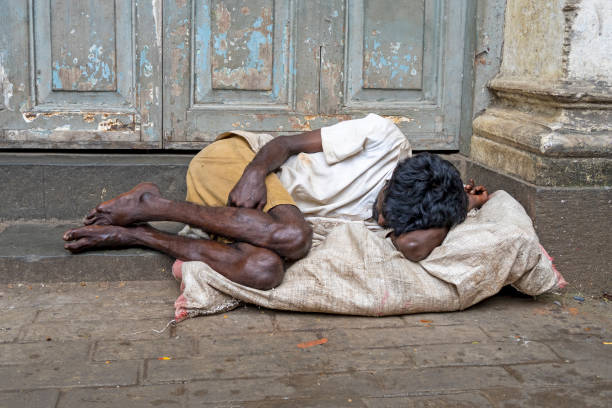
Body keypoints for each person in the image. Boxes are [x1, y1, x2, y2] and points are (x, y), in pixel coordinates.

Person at [63, 114, 488, 290]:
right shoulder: (384, 138)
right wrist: (253, 172)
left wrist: (459, 208)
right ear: (397, 176)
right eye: (385, 204)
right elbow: (283, 143)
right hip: (241, 165)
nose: (380, 218)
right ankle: (152, 204)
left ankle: (139, 233)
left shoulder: (418, 214)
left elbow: (413, 247)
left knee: (265, 270)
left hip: (247, 220)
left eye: (390, 220)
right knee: (292, 235)